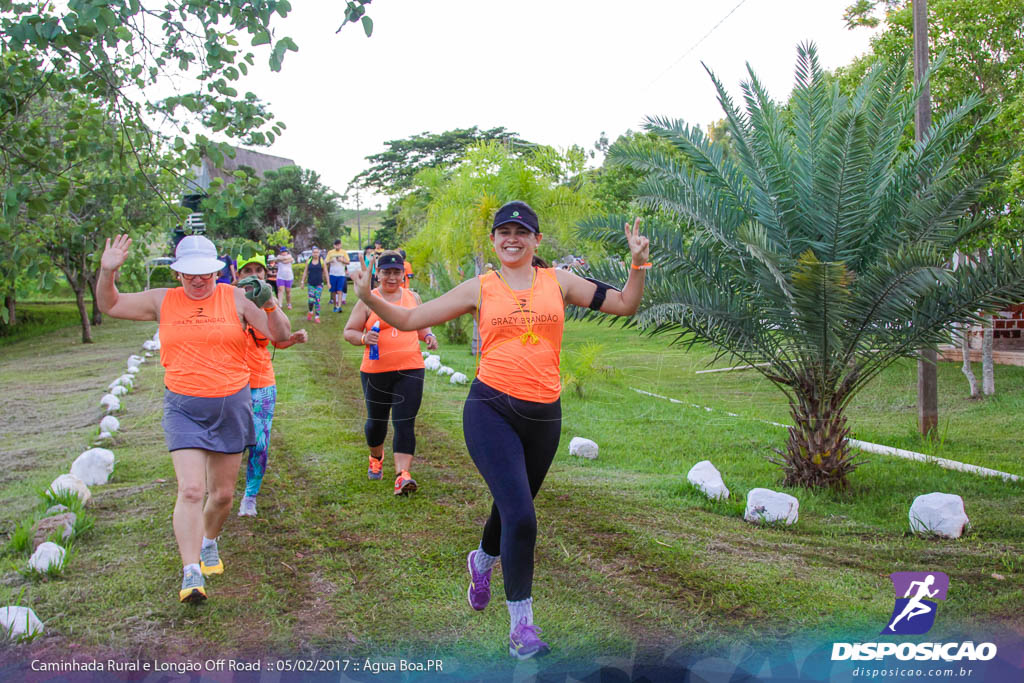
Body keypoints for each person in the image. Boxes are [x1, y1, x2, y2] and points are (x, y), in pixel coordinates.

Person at [352, 201, 649, 660]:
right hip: (490, 409)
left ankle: (482, 561)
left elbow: (627, 305)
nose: (512, 239)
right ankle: (521, 628)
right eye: (503, 232)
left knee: (512, 508)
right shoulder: (481, 288)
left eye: (521, 232)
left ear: (536, 240)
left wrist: (638, 263)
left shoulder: (560, 282)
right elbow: (411, 320)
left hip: (545, 416)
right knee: (523, 517)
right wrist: (370, 298)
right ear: (494, 240)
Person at [97, 234, 292, 604]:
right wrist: (108, 273)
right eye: (189, 274)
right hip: (184, 406)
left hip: (231, 404)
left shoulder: (236, 297)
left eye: (205, 273)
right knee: (190, 490)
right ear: (177, 272)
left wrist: (269, 305)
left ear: (217, 270)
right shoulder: (162, 300)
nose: (198, 280)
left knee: (221, 495)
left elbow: (278, 337)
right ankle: (190, 573)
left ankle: (209, 542)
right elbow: (111, 305)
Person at [344, 251, 438, 495]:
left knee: (404, 421)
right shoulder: (368, 299)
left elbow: (419, 324)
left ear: (403, 274)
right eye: (387, 272)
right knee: (376, 423)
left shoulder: (412, 297)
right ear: (379, 274)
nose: (392, 277)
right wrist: (364, 338)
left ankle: (402, 475)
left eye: (397, 272)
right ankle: (376, 457)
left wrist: (428, 335)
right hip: (376, 371)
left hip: (411, 367)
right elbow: (349, 331)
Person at [235, 254, 309, 517]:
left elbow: (277, 340)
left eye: (259, 270)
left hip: (261, 382)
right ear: (237, 273)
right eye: (248, 270)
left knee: (260, 443)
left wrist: (294, 339)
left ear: (266, 276)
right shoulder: (225, 301)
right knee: (228, 444)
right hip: (228, 385)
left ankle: (250, 496)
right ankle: (220, 490)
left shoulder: (269, 302)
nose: (253, 275)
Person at [300, 245, 327, 323]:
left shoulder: (321, 260)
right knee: (311, 300)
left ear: (319, 253)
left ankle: (317, 316)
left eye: (317, 252)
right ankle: (311, 311)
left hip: (319, 283)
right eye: (314, 252)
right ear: (312, 253)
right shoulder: (309, 260)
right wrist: (302, 281)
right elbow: (305, 271)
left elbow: (325, 272)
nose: (315, 254)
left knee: (317, 300)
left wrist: (328, 282)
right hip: (311, 283)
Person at [326, 239, 351, 312]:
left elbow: (348, 262)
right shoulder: (330, 252)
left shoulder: (343, 252)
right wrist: (331, 261)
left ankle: (339, 306)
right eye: (336, 245)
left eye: (339, 245)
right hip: (333, 274)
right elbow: (326, 261)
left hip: (341, 274)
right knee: (333, 291)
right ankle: (335, 305)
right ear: (334, 245)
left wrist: (342, 260)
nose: (338, 246)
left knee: (340, 290)